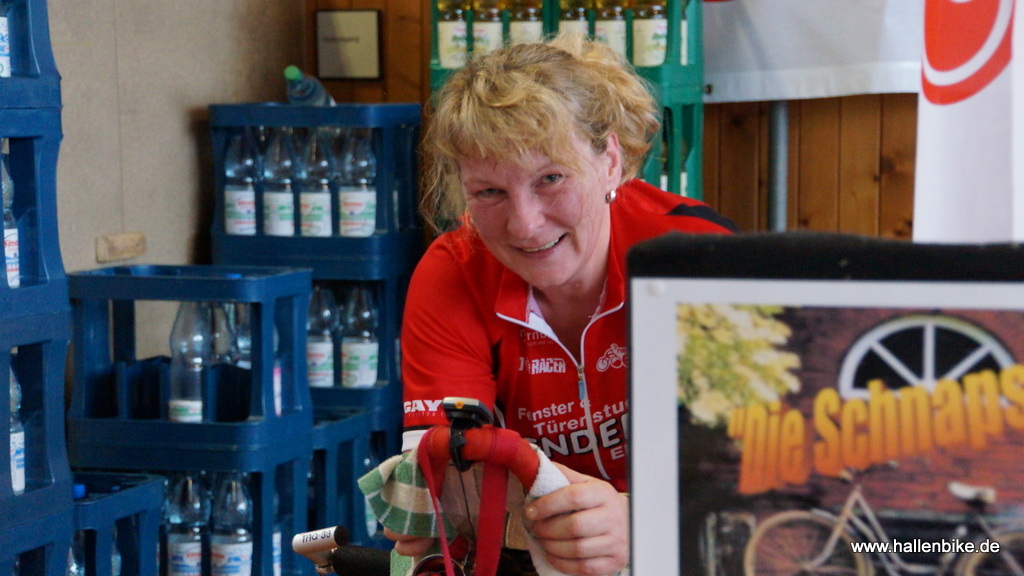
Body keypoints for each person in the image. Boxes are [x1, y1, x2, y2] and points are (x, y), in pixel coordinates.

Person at [389, 32, 737, 575]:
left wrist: (645, 523)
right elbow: (443, 493)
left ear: (610, 162)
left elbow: (766, 473)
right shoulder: (451, 272)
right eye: (489, 192)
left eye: (550, 178)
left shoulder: (696, 254)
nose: (525, 225)